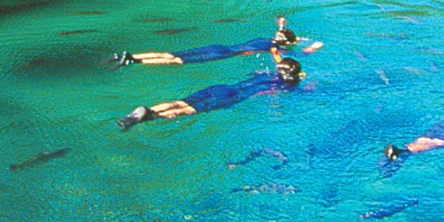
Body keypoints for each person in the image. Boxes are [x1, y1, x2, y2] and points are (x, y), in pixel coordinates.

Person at [118, 49, 305, 129]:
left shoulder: (265, 74)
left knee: (179, 102)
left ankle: (149, 109)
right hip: (231, 96)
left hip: (220, 87)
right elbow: (288, 88)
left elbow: (279, 63)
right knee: (186, 111)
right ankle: (150, 117)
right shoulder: (286, 85)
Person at [112, 16, 321, 67]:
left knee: (172, 53)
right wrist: (308, 50)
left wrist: (283, 26)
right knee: (176, 61)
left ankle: (132, 55)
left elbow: (281, 34)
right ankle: (135, 61)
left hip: (219, 47)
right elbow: (281, 62)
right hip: (221, 54)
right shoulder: (274, 47)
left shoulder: (269, 39)